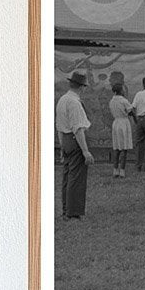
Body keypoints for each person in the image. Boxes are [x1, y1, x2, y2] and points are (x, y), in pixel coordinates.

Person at [55, 70, 94, 219]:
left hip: (65, 140)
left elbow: (59, 125)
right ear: (82, 87)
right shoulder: (74, 103)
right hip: (74, 140)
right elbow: (78, 128)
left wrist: (61, 146)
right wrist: (85, 151)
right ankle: (73, 211)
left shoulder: (63, 100)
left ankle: (66, 209)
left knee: (67, 176)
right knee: (76, 178)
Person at [108, 83, 135, 178]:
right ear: (120, 91)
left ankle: (115, 170)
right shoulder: (124, 101)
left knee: (116, 147)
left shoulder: (111, 101)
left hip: (116, 123)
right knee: (124, 148)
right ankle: (122, 171)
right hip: (123, 123)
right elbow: (131, 111)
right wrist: (135, 119)